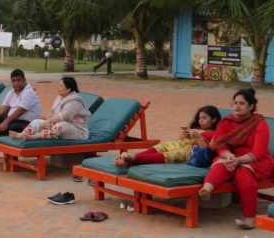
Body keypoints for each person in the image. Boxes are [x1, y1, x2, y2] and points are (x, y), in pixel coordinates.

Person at [198, 88, 274, 230]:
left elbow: (259, 152)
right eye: (235, 103)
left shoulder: (259, 123)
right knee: (221, 164)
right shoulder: (226, 122)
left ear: (251, 107)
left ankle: (249, 219)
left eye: (242, 103)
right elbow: (220, 144)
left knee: (242, 174)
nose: (237, 106)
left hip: (256, 160)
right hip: (233, 157)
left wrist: (238, 161)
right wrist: (227, 155)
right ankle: (207, 189)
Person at [115, 106, 221, 166]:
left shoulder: (215, 133)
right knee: (163, 145)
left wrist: (198, 137)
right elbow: (180, 141)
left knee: (171, 154)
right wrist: (183, 136)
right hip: (182, 144)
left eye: (204, 118)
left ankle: (134, 159)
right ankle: (134, 158)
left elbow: (206, 151)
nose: (201, 120)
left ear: (214, 119)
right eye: (199, 118)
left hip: (190, 151)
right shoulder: (197, 129)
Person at [9, 77, 90, 141]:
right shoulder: (61, 97)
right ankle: (22, 134)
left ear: (69, 89)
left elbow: (63, 116)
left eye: (61, 86)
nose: (58, 87)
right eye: (58, 85)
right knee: (36, 122)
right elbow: (54, 114)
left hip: (78, 131)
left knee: (60, 126)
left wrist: (49, 121)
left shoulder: (75, 101)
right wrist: (48, 122)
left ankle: (33, 137)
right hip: (60, 126)